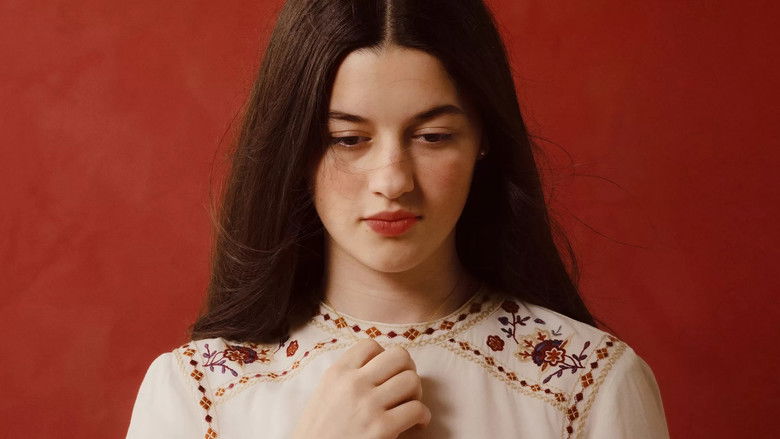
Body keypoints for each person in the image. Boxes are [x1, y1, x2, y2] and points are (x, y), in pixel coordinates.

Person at [126, 0, 670, 438]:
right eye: (348, 139)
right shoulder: (198, 392)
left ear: (484, 139)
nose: (393, 180)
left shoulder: (587, 383)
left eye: (433, 137)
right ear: (295, 150)